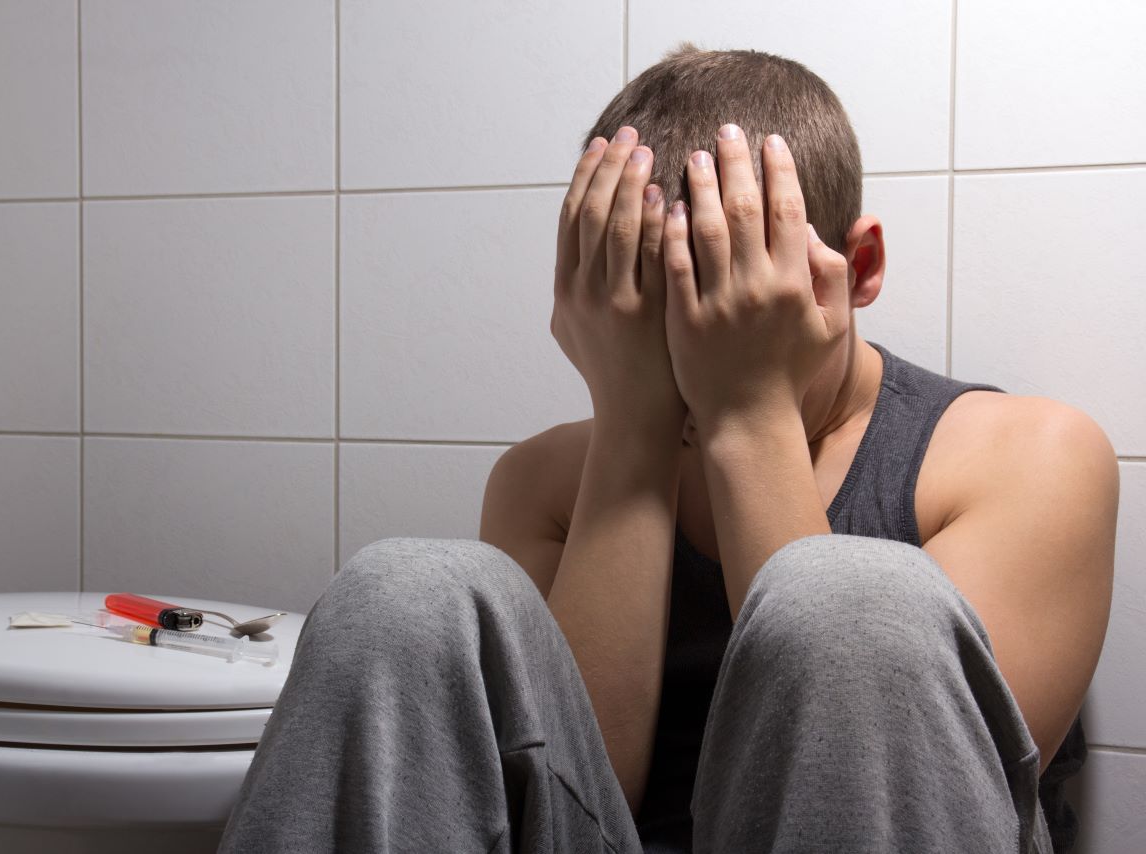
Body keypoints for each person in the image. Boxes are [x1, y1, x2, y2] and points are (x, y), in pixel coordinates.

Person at [218, 46, 1118, 853]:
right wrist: (631, 426)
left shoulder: (1030, 457)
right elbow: (570, 782)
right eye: (659, 318)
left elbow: (922, 795)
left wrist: (748, 409)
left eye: (729, 305)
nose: (691, 358)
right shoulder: (545, 481)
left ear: (861, 271)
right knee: (402, 590)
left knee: (850, 597)